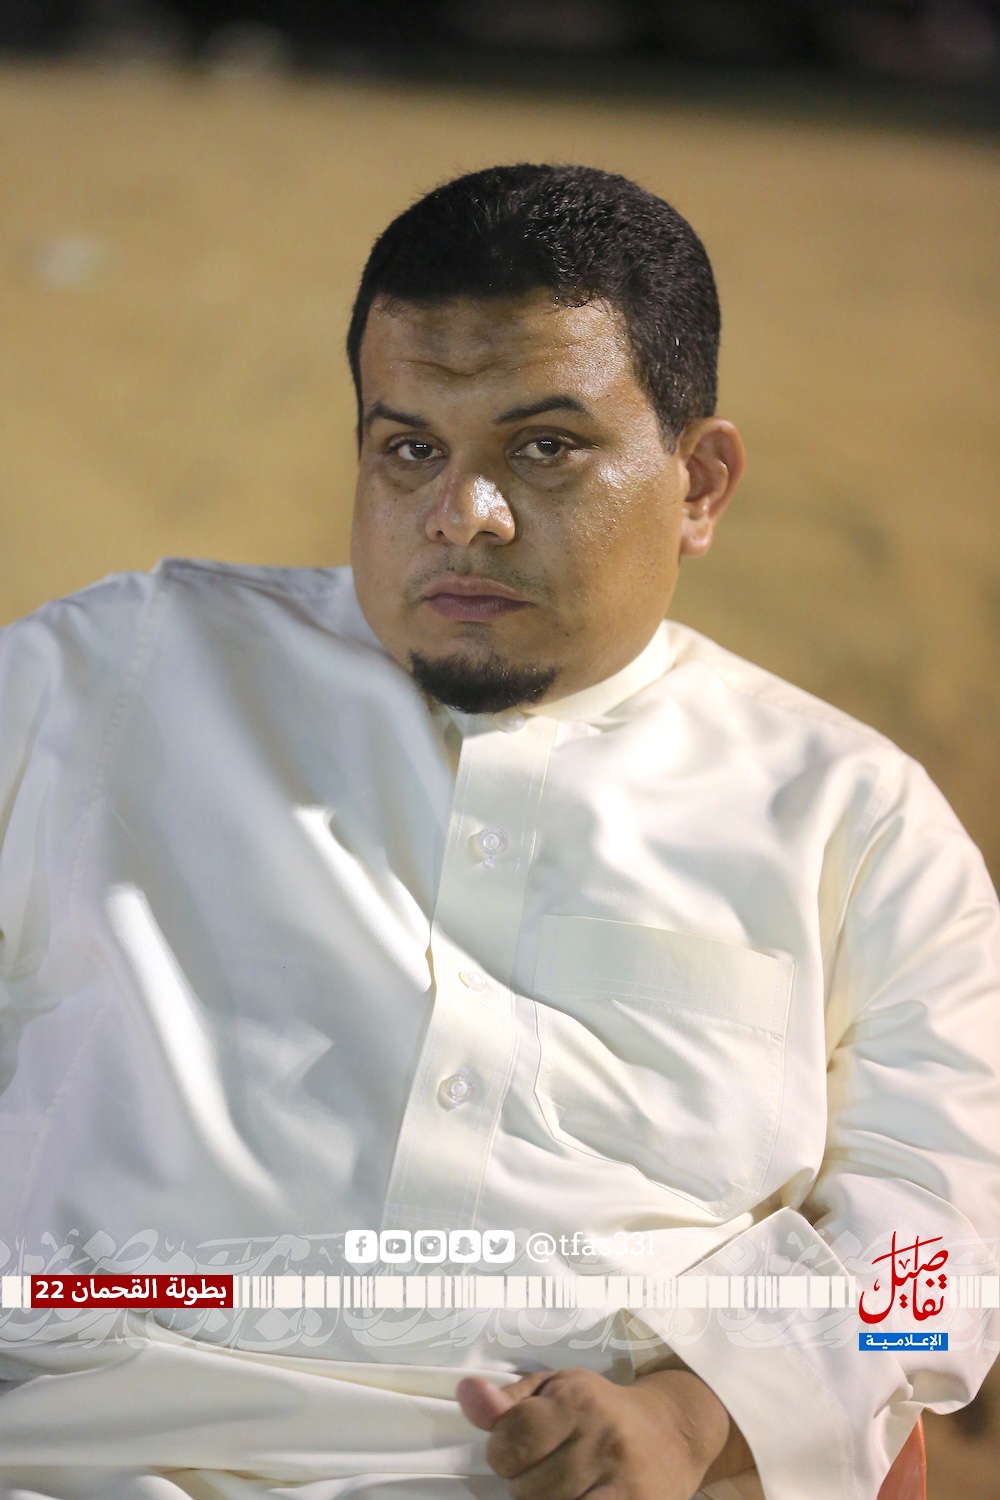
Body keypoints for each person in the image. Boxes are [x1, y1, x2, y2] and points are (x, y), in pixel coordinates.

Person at [0, 163, 997, 1500]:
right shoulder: (115, 677)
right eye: (410, 448)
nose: (461, 514)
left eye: (545, 448)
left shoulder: (855, 821)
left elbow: (941, 1252)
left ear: (700, 483)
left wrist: (694, 1415)